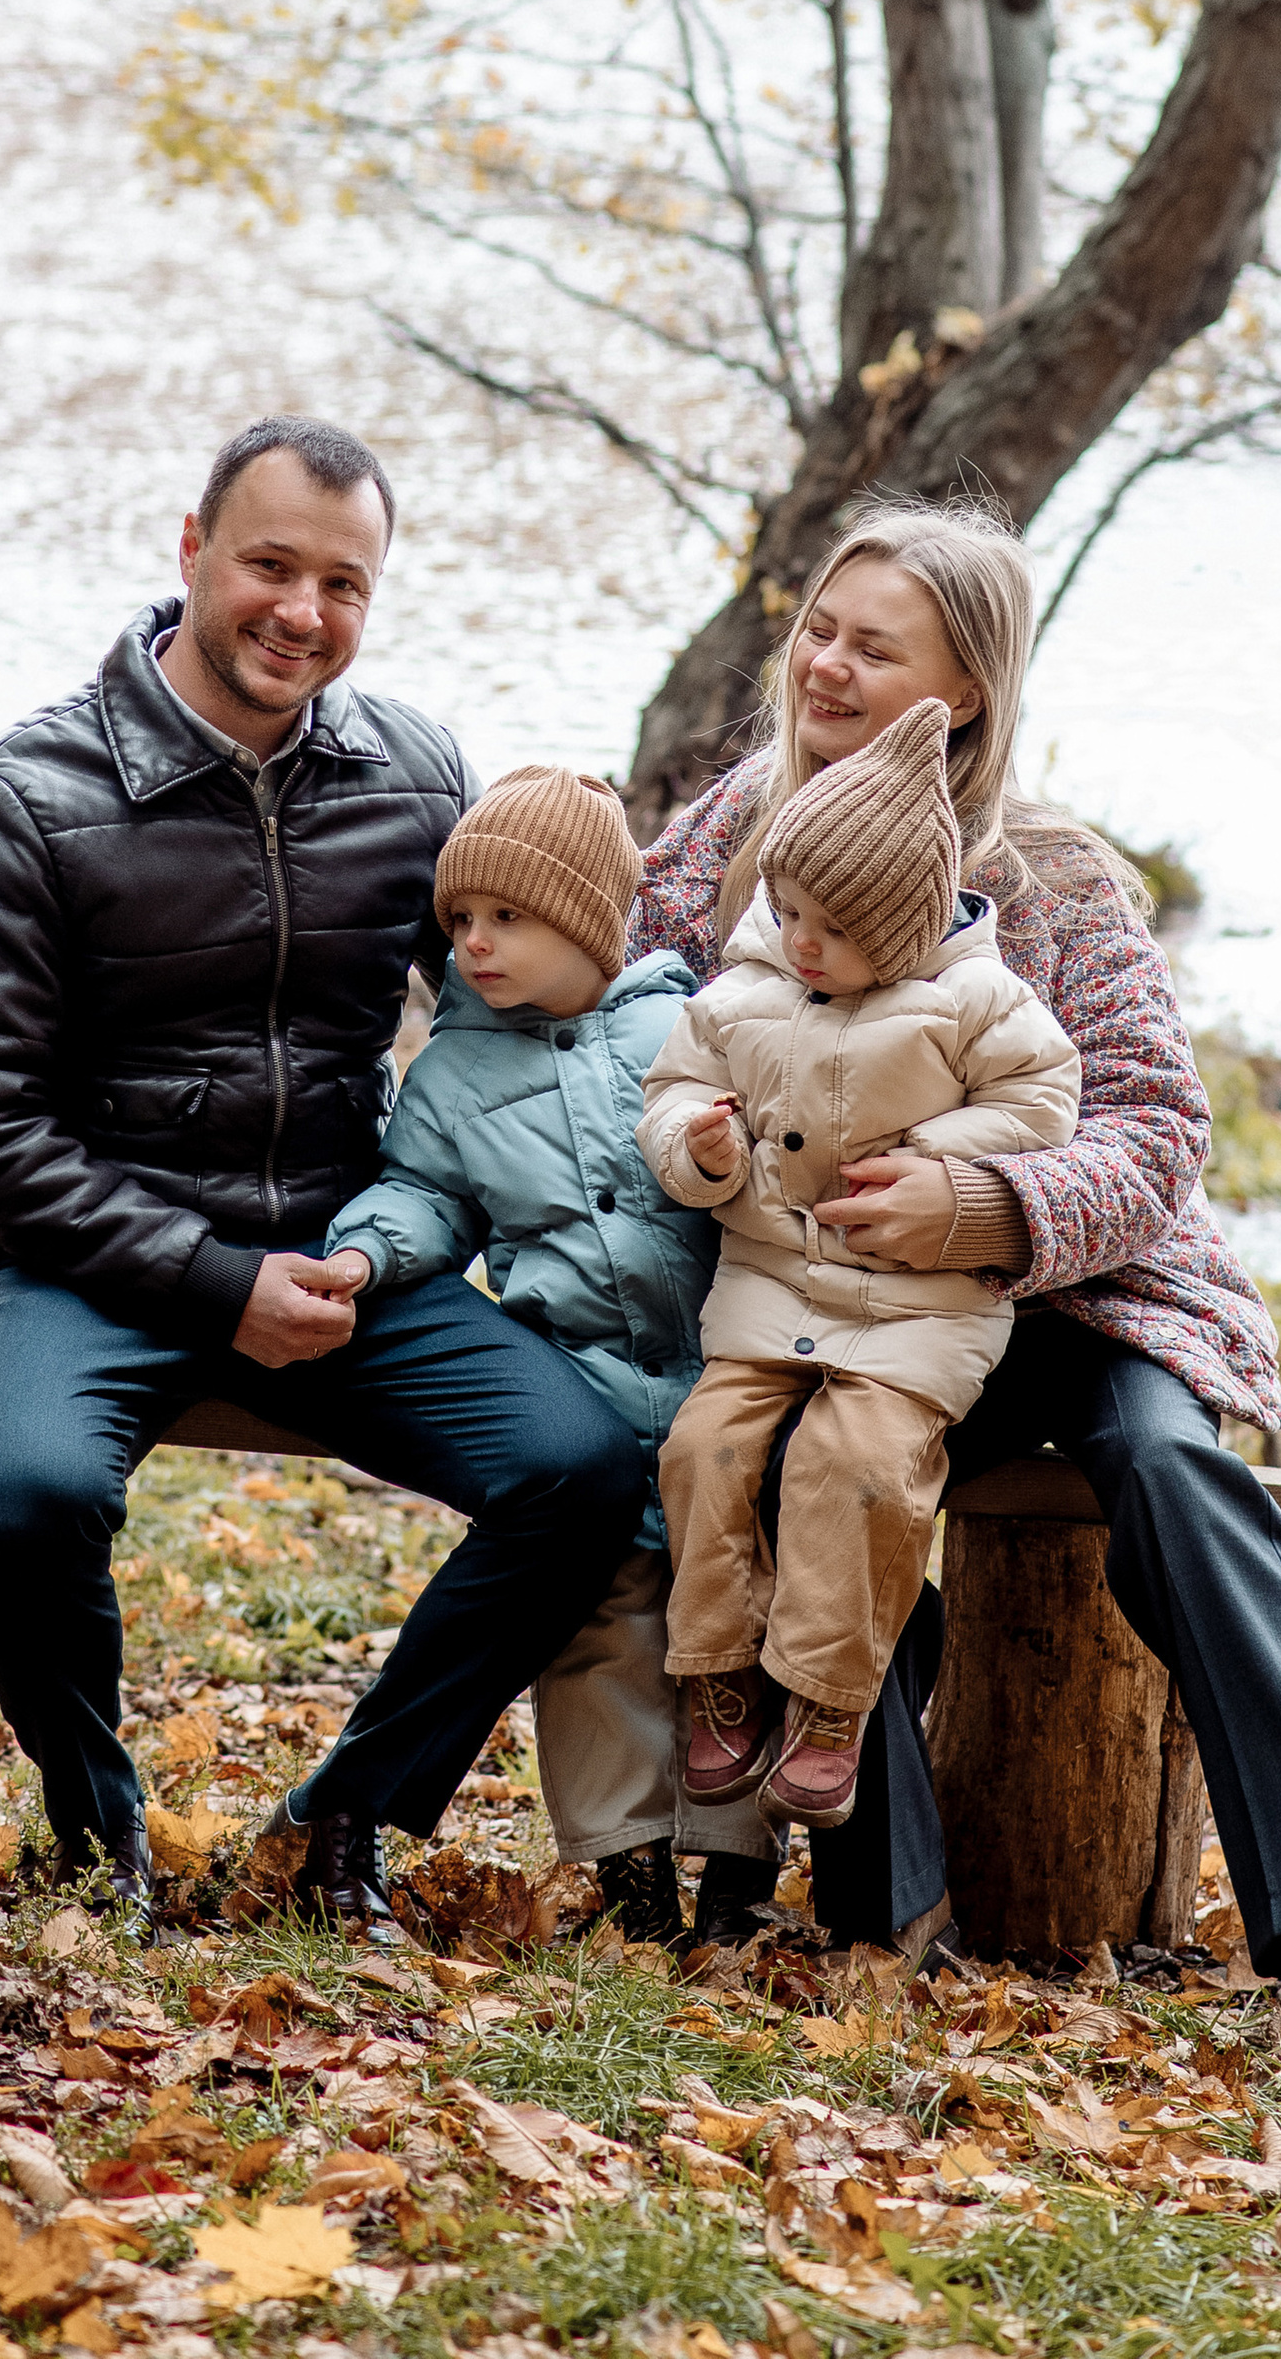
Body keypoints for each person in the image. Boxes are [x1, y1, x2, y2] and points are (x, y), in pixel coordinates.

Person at [628, 496, 1281, 2041]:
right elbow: (617, 1003)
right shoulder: (735, 839)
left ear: (969, 689)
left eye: (879, 649)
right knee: (809, 1459)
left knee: (1167, 1474)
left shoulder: (1054, 878)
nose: (828, 667)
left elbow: (1158, 1132)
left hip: (1071, 1301)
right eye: (820, 632)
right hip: (840, 1307)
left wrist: (981, 1200)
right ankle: (892, 1900)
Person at [0, 416, 648, 1936]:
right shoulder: (22, 798)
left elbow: (537, 992)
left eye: (345, 584)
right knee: (29, 1496)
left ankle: (341, 1824)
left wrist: (733, 1055)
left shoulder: (417, 772)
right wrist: (205, 1282)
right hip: (87, 1264)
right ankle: (95, 1828)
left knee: (583, 1468)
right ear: (189, 552)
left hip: (344, 1248)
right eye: (270, 565)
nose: (304, 613)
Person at [318, 764, 762, 1953]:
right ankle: (629, 1870)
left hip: (733, 1392)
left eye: (506, 919)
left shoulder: (689, 1028)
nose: (472, 946)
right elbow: (423, 1196)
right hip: (591, 1379)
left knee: (734, 1631)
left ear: (587, 922)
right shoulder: (453, 1073)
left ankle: (735, 1874)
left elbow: (769, 1175)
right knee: (605, 1628)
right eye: (458, 922)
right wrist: (365, 1253)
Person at [640, 697, 1078, 1834]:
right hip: (770, 1288)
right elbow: (673, 1092)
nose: (798, 941)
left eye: (830, 927)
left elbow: (1045, 1101)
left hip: (913, 1311)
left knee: (860, 1465)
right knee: (704, 1449)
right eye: (787, 910)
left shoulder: (976, 1000)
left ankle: (830, 1700)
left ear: (899, 925)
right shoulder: (741, 991)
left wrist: (939, 1158)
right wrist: (696, 1148)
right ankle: (717, 1668)